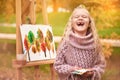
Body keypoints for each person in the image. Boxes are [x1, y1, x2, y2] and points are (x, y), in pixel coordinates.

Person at [54, 5, 106, 80]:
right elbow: (58, 65)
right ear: (71, 22)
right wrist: (72, 69)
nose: (80, 18)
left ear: (89, 23)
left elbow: (100, 65)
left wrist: (93, 72)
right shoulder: (66, 42)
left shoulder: (95, 43)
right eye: (76, 16)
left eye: (84, 17)